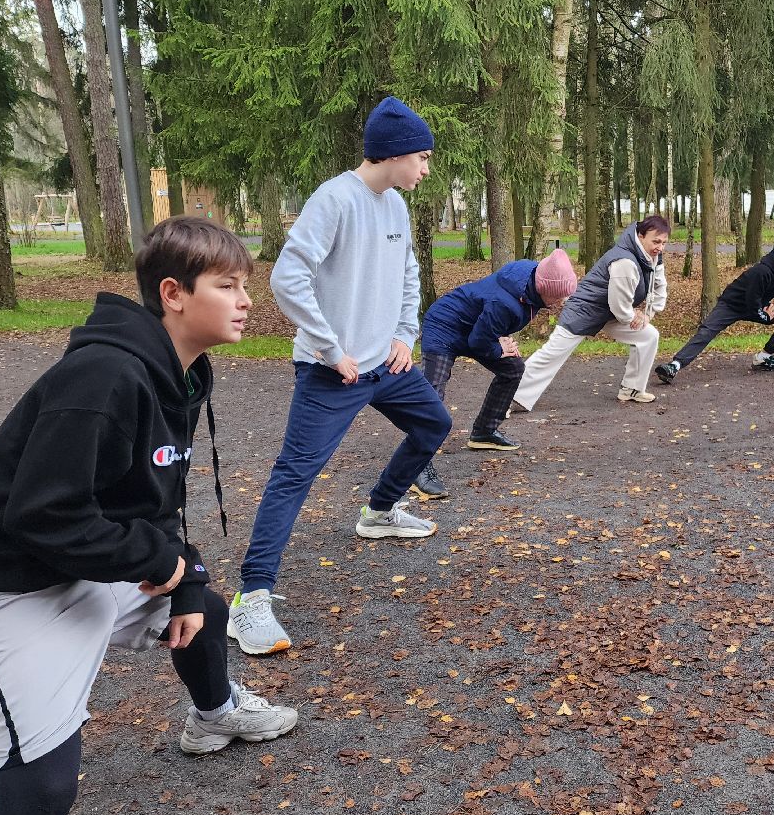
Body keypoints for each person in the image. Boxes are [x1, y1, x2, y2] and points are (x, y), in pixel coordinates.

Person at [0, 218, 298, 815]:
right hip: (4, 585)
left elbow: (149, 498)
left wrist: (184, 576)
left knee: (206, 609)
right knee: (39, 794)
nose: (247, 300)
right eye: (228, 285)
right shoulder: (105, 375)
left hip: (76, 561)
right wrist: (163, 561)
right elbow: (44, 515)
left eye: (245, 285)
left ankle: (212, 717)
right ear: (173, 294)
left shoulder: (178, 374)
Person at [230, 96, 452, 657]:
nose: (426, 170)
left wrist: (406, 335)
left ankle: (379, 511)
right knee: (294, 476)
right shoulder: (334, 199)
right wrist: (330, 348)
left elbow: (410, 274)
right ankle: (250, 599)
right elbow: (286, 278)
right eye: (421, 158)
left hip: (387, 365)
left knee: (434, 423)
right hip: (333, 374)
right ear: (395, 153)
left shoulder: (396, 207)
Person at [409, 249, 578, 498]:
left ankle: (484, 431)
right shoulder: (507, 303)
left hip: (476, 328)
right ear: (546, 289)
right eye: (560, 296)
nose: (562, 302)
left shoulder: (531, 275)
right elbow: (481, 341)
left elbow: (488, 324)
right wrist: (500, 348)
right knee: (433, 393)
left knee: (513, 369)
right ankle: (415, 466)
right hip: (444, 326)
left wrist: (502, 341)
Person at [513, 216, 670, 409]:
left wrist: (648, 314)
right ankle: (507, 395)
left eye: (664, 243)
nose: (660, 247)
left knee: (649, 336)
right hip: (584, 309)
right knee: (552, 354)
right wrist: (632, 317)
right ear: (640, 235)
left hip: (610, 312)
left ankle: (632, 389)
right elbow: (619, 306)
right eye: (656, 241)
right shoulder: (624, 262)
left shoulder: (653, 257)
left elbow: (659, 285)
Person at [654, 230, 774, 384]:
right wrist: (764, 316)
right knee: (707, 331)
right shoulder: (762, 272)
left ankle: (763, 358)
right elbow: (751, 301)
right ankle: (674, 365)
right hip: (732, 304)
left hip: (757, 305)